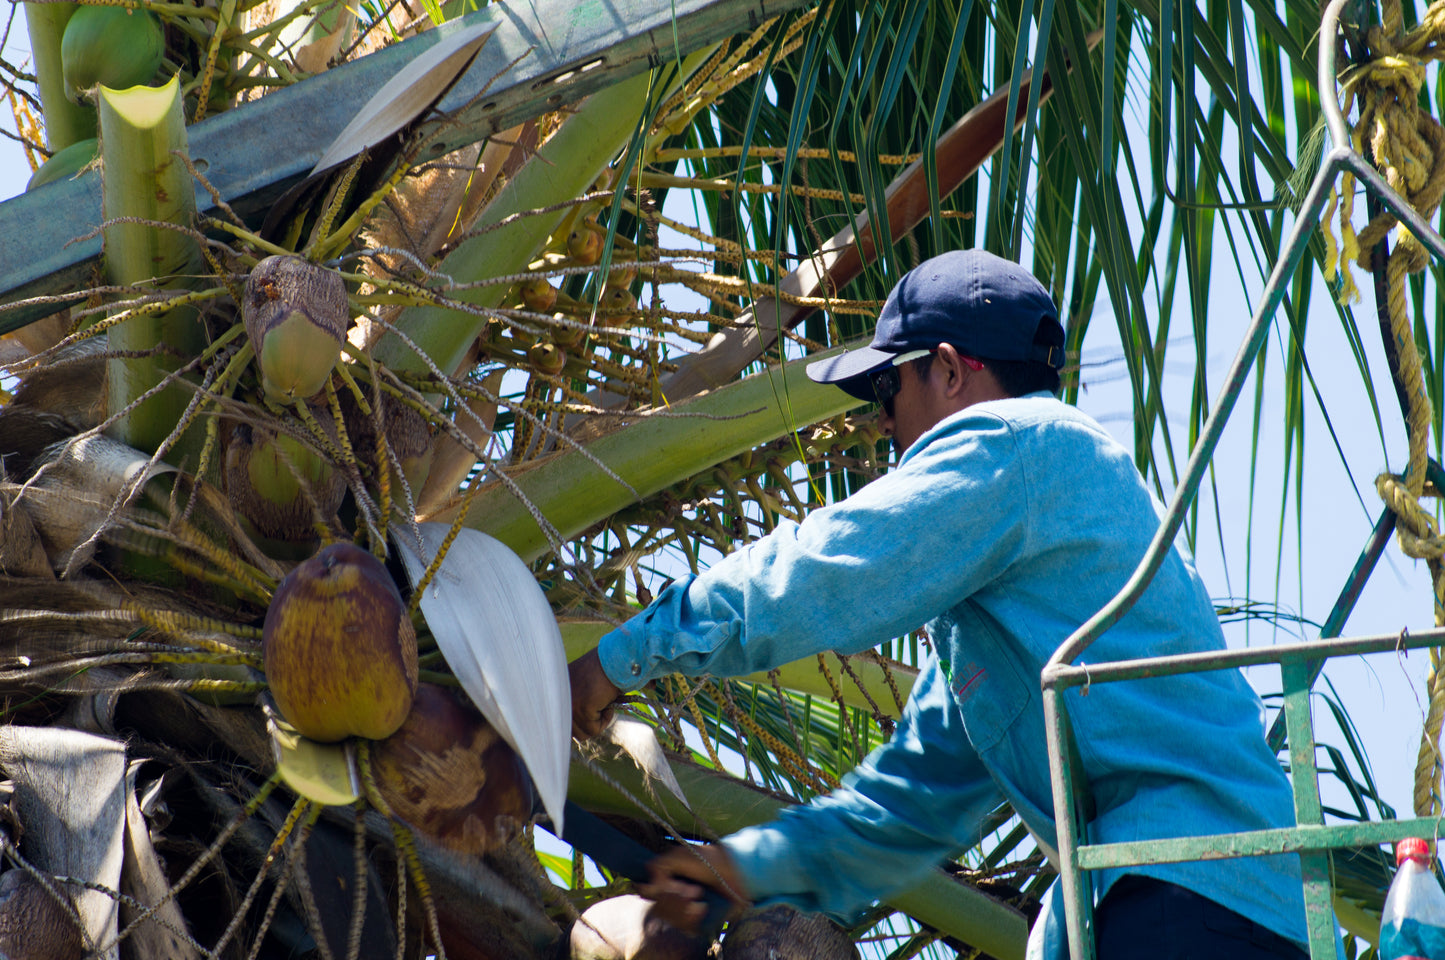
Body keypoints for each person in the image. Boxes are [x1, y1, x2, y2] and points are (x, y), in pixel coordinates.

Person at [568, 249, 1312, 959]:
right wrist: (736, 869)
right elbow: (901, 810)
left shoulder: (1022, 442)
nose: (882, 423)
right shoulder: (1006, 616)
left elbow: (826, 569)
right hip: (1216, 907)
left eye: (888, 390)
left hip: (1184, 901)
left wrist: (614, 659)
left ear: (950, 371)